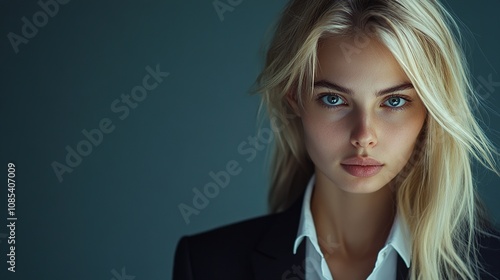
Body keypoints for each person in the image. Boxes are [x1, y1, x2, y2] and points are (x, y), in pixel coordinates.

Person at [173, 0, 500, 279]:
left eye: (394, 101)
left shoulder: (491, 264)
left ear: (431, 110)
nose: (364, 136)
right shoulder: (206, 264)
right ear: (294, 99)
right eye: (333, 99)